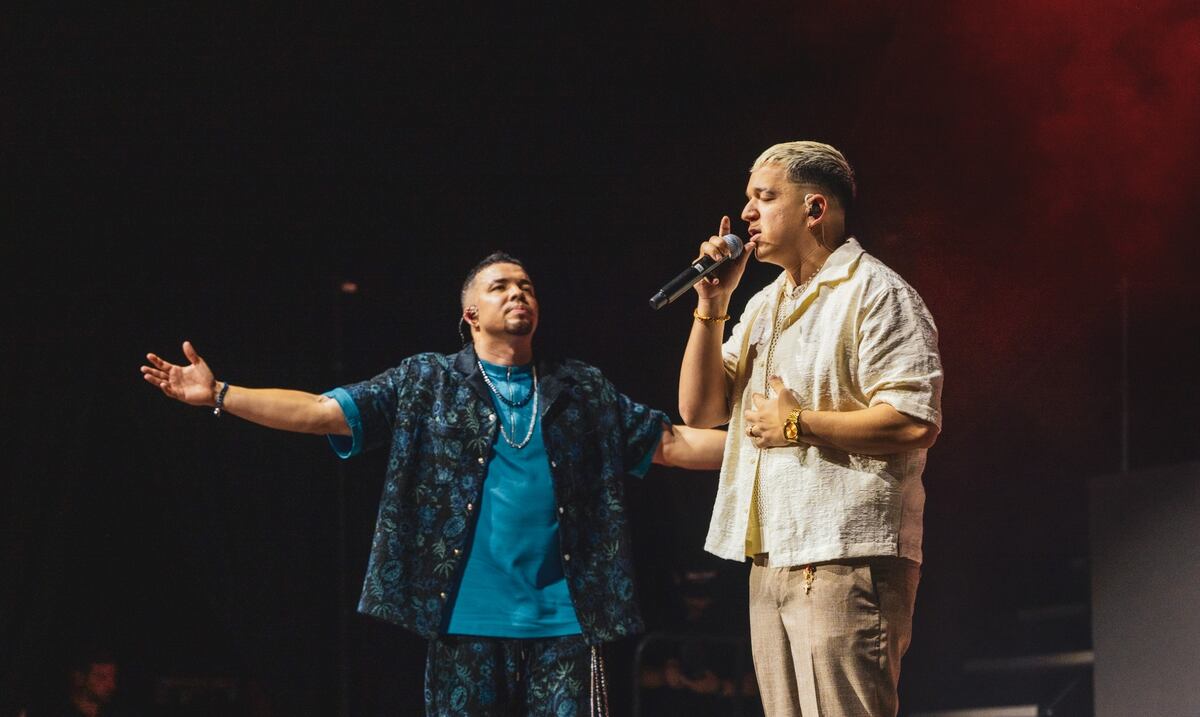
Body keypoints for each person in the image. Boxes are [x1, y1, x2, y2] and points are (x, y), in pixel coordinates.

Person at [140, 251, 726, 717]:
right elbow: (322, 412)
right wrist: (220, 395)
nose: (518, 292)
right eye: (499, 286)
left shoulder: (580, 389)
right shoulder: (427, 381)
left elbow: (673, 443)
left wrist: (780, 441)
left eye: (525, 285)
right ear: (469, 314)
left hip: (566, 627)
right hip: (464, 625)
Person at [677, 141, 943, 716]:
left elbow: (913, 420)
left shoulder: (878, 294)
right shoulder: (764, 305)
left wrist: (797, 424)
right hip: (773, 554)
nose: (746, 213)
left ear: (815, 209)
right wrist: (713, 302)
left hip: (848, 552)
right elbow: (699, 410)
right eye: (747, 199)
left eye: (765, 198)